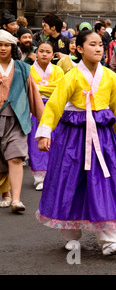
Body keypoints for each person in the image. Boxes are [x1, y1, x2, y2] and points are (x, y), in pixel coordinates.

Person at [35, 30, 116, 256]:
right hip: (73, 140)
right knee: (72, 182)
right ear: (80, 49)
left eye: (101, 44)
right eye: (92, 44)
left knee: (108, 183)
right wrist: (45, 133)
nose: (99, 48)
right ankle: (71, 235)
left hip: (103, 140)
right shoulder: (70, 77)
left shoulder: (111, 77)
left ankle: (111, 240)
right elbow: (54, 106)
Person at [0, 30, 44, 212]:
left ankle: (16, 199)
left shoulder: (24, 68)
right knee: (1, 160)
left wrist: (44, 125)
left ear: (13, 47)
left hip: (17, 119)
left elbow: (34, 97)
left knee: (15, 157)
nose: (3, 48)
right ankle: (6, 193)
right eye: (0, 45)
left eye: (6, 45)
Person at [27, 41, 64, 191]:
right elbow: (28, 88)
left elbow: (59, 88)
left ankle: (53, 174)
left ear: (53, 54)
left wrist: (37, 87)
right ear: (36, 53)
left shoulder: (58, 70)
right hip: (34, 109)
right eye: (41, 51)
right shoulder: (29, 69)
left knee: (54, 141)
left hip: (53, 109)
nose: (44, 54)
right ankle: (39, 176)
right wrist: (45, 88)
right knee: (35, 142)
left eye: (48, 52)